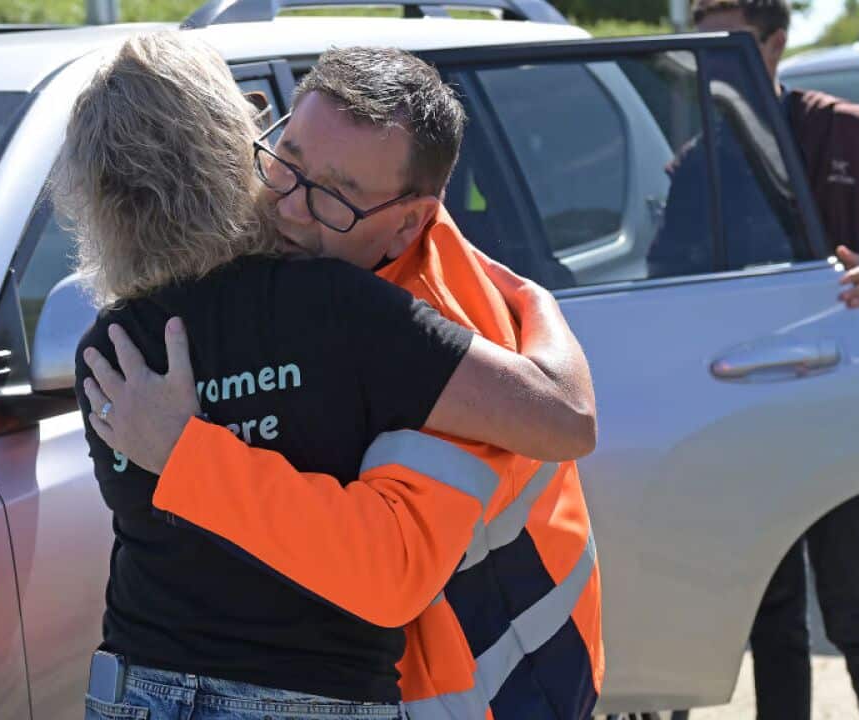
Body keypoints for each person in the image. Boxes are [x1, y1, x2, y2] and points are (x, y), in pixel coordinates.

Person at [81, 46, 603, 719]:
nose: (291, 210)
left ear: (409, 220)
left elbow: (391, 568)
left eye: (332, 197)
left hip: (505, 685)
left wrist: (187, 456)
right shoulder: (302, 285)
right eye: (285, 162)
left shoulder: (439, 317)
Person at [687, 1, 859, 718]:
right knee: (772, 616)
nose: (713, 60)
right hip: (747, 418)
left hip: (848, 410)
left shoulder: (858, 136)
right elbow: (668, 278)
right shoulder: (701, 159)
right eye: (702, 46)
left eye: (731, 43)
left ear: (777, 44)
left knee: (855, 609)